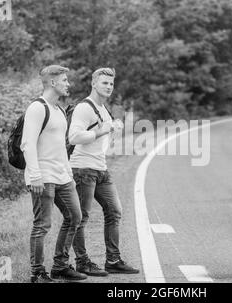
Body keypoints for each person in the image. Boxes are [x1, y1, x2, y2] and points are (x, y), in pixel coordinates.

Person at [68, 67, 139, 276]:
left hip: (101, 169)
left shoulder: (103, 109)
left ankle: (113, 260)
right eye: (104, 83)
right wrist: (104, 130)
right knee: (81, 217)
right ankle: (82, 262)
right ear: (93, 84)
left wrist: (114, 128)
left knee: (114, 211)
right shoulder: (84, 108)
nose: (108, 87)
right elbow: (74, 137)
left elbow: (102, 137)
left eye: (111, 83)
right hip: (83, 169)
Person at [21, 65, 87, 283]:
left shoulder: (59, 110)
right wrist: (35, 175)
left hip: (62, 176)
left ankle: (59, 266)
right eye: (65, 80)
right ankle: (37, 272)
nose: (68, 84)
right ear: (52, 82)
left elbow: (60, 146)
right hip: (43, 177)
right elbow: (27, 144)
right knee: (42, 225)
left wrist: (68, 173)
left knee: (75, 217)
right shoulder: (37, 108)